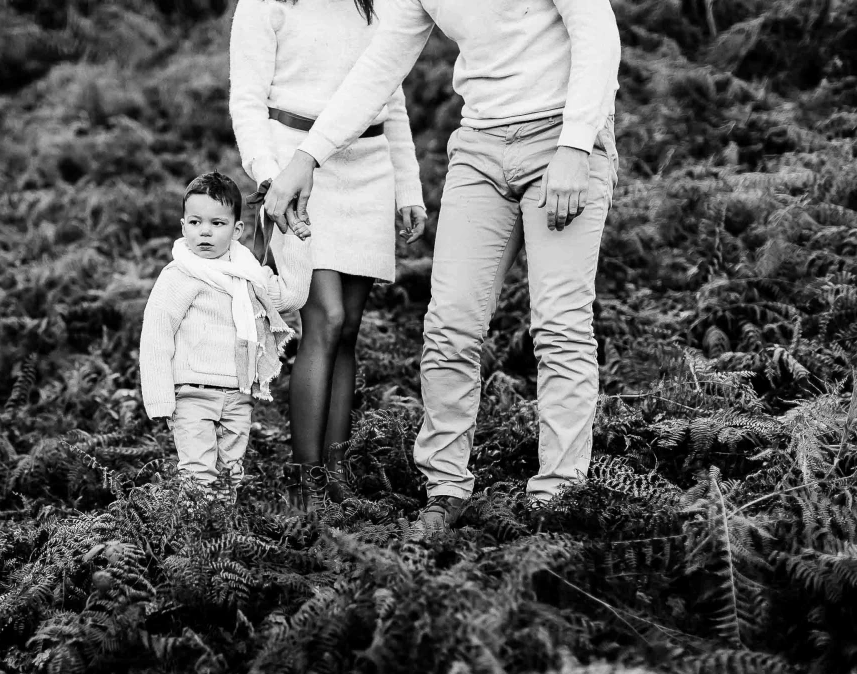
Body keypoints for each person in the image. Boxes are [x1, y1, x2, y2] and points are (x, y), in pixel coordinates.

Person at [262, 0, 622, 530]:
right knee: (450, 325)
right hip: (481, 146)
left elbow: (597, 34)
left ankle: (558, 495)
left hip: (563, 138)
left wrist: (576, 145)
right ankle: (446, 488)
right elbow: (379, 67)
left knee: (559, 326)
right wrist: (305, 159)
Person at [229, 0, 427, 512]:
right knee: (326, 317)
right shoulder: (266, 4)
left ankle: (337, 471)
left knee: (348, 328)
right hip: (297, 172)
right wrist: (272, 179)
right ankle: (305, 478)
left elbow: (392, 93)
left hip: (368, 168)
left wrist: (408, 188)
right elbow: (247, 102)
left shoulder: (377, 4)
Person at [139, 172, 294, 494]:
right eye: (195, 223)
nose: (205, 232)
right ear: (183, 226)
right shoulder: (179, 275)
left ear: (237, 230)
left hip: (238, 395)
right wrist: (160, 399)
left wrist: (294, 232)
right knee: (198, 475)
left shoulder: (248, 274)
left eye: (217, 223)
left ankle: (222, 538)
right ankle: (196, 540)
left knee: (230, 476)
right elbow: (156, 337)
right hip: (192, 393)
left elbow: (291, 297)